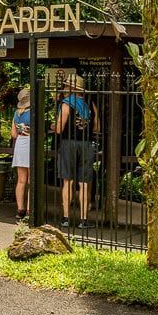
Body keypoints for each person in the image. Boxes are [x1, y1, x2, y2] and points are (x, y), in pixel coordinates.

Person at [52, 74, 99, 229]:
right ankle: (83, 219)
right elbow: (96, 127)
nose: (64, 89)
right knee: (84, 182)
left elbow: (59, 129)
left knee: (68, 180)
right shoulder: (90, 104)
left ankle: (66, 217)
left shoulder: (65, 104)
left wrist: (53, 126)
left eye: (66, 86)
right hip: (86, 144)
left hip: (68, 144)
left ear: (70, 88)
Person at [11, 88, 32, 220]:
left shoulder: (16, 114)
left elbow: (13, 134)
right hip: (30, 143)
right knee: (32, 179)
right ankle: (30, 209)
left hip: (20, 143)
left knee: (21, 179)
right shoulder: (33, 113)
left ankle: (20, 209)